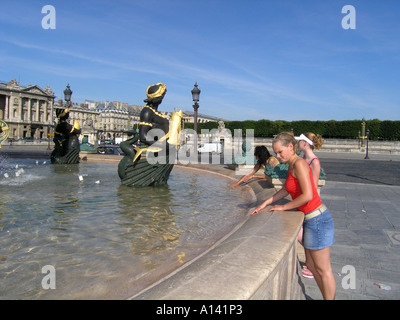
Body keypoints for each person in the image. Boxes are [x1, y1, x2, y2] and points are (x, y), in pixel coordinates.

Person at [250, 132, 335, 300]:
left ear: (291, 147)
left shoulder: (300, 164)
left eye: (280, 151)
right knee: (314, 267)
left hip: (317, 219)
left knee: (323, 270)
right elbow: (286, 190)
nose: (278, 156)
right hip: (310, 220)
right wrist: (265, 203)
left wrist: (284, 208)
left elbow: (308, 195)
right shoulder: (292, 164)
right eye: (275, 153)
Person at [295, 132, 325, 278]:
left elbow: (312, 187)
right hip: (302, 202)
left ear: (305, 143)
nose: (298, 143)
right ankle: (310, 263)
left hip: (309, 205)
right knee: (302, 235)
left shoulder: (314, 162)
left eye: (299, 141)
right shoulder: (303, 159)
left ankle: (311, 265)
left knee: (304, 236)